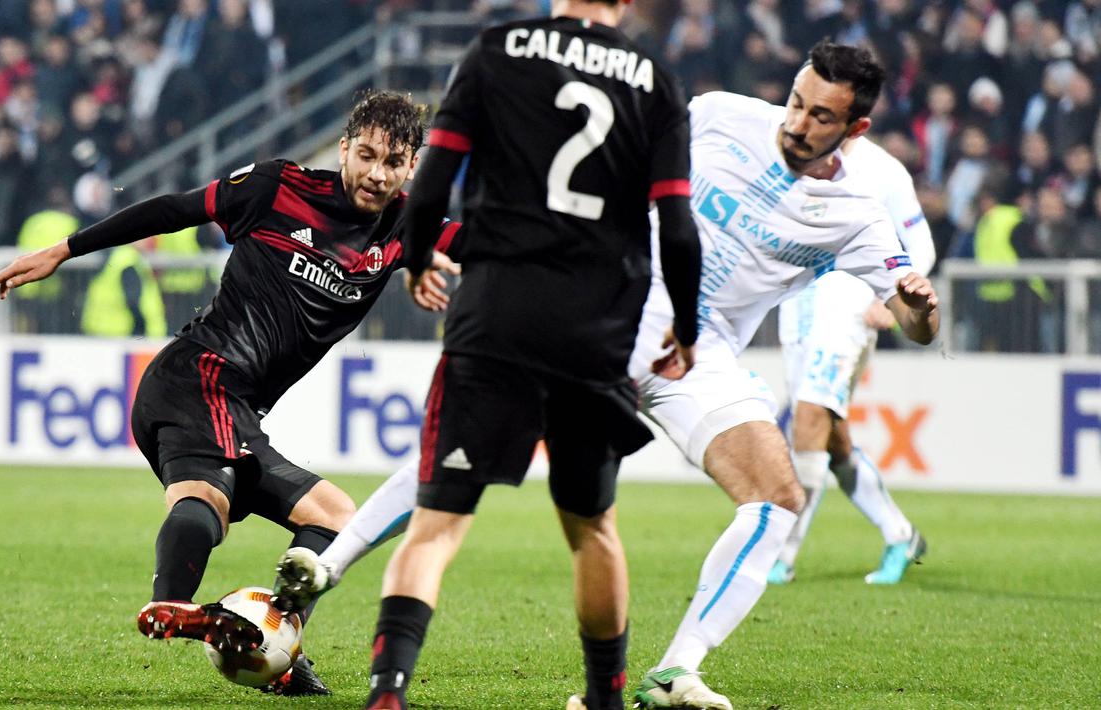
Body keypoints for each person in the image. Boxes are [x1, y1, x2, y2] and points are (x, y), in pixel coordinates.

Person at [277, 41, 941, 710]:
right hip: (606, 309)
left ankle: (673, 673)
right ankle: (327, 566)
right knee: (465, 453)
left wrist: (914, 307)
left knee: (777, 498)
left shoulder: (858, 213)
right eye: (796, 102)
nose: (797, 123)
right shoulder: (717, 116)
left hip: (695, 352)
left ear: (854, 129)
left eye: (820, 116)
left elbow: (917, 327)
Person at [0, 92, 460, 696]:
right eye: (365, 154)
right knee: (210, 497)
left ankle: (275, 642)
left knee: (338, 520)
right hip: (203, 374)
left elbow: (480, 243)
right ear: (343, 148)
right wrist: (65, 249)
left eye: (393, 162)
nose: (376, 173)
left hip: (225, 403)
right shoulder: (277, 187)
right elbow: (173, 210)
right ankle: (174, 604)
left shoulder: (404, 228)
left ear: (412, 167)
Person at [335, 2, 704, 709]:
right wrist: (687, 326)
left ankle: (387, 693)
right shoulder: (655, 82)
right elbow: (677, 227)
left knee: (436, 527)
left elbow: (434, 177)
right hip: (593, 332)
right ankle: (602, 698)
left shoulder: (495, 50)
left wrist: (415, 259)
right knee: (592, 527)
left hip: (495, 316)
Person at [769, 134, 937, 587]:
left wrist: (894, 296)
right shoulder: (793, 155)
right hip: (798, 307)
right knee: (831, 438)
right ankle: (900, 534)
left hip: (848, 306)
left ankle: (779, 556)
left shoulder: (884, 171)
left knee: (806, 421)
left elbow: (920, 243)